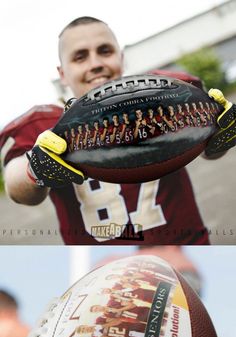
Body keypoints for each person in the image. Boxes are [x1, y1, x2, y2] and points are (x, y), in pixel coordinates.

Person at [1, 16, 234, 246]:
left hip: (183, 249)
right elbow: (16, 187)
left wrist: (219, 137)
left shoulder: (166, 97)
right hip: (105, 267)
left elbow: (208, 150)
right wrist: (36, 170)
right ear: (62, 73)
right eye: (80, 57)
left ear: (121, 58)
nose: (95, 64)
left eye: (105, 51)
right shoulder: (45, 124)